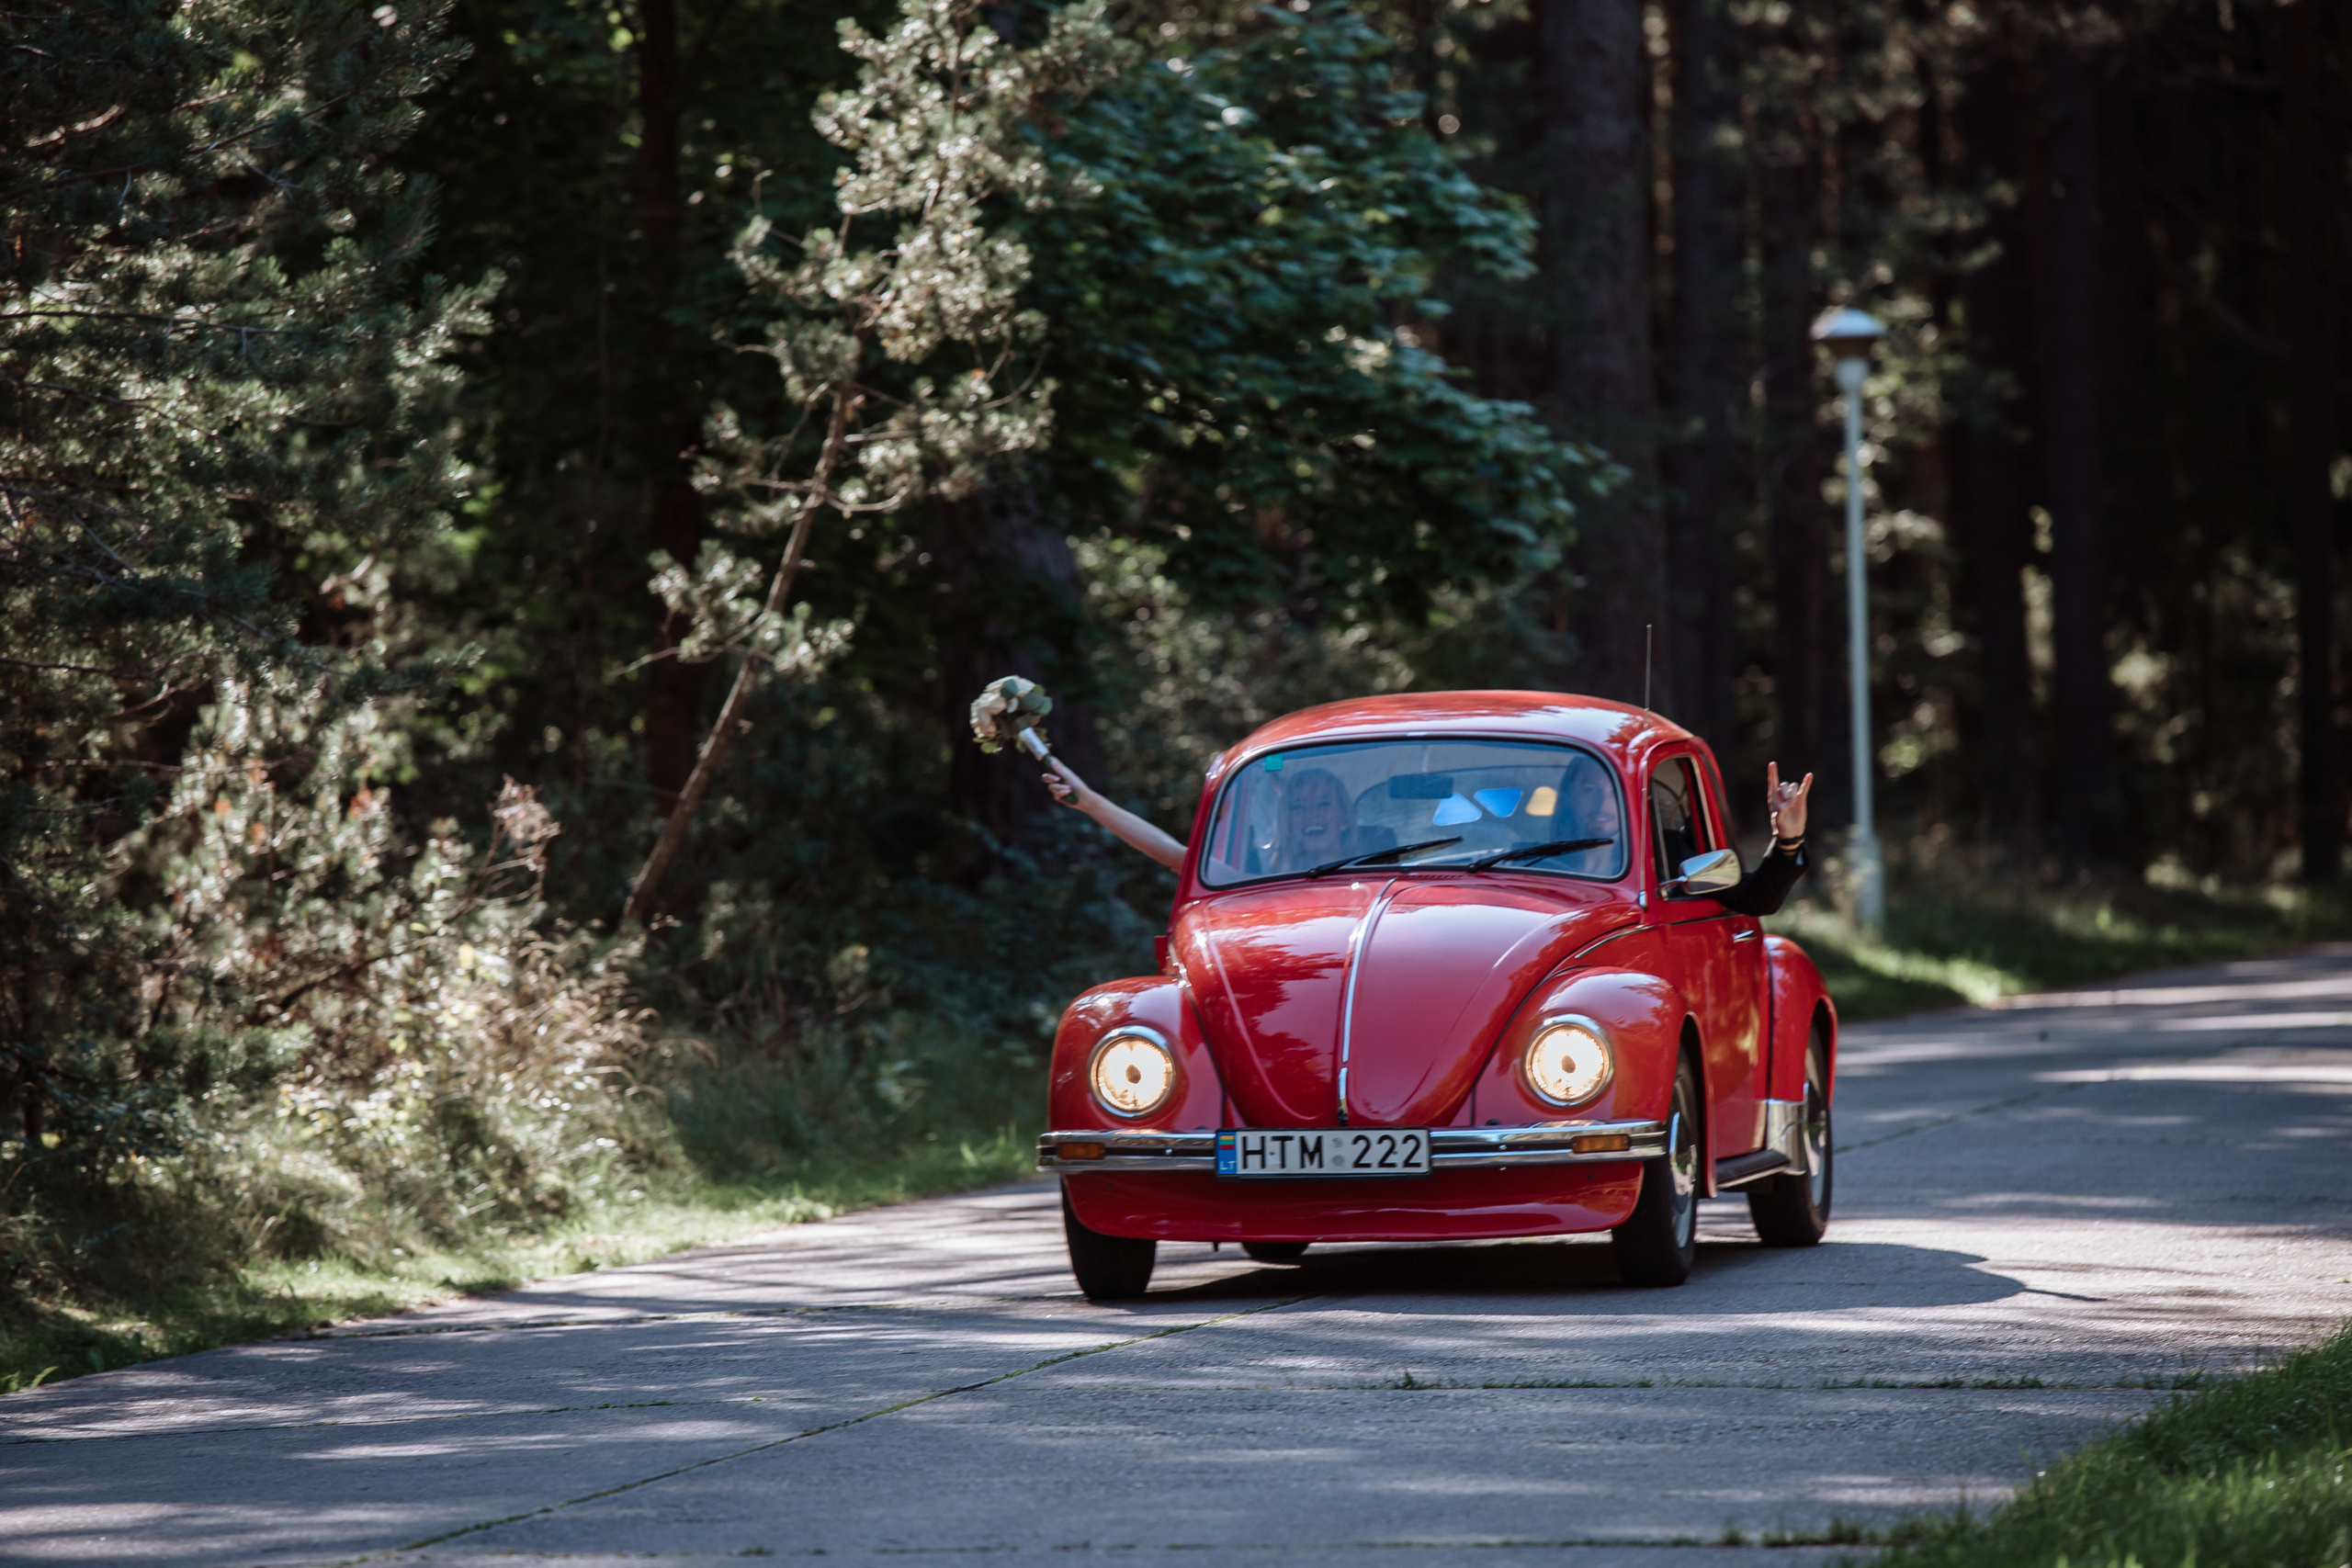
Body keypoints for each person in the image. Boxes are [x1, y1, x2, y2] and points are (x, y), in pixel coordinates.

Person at [1042, 753, 1813, 918]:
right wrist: (1092, 801)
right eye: (1301, 802)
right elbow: (1184, 864)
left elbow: (1746, 901)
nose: (1312, 814)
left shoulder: (1643, 857)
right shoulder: (1262, 873)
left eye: (1597, 797)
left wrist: (1785, 841)